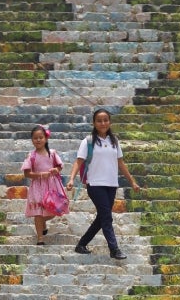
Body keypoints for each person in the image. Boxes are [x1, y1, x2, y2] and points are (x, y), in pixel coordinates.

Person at [66, 107, 140, 259]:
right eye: (99, 121)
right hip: (95, 184)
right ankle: (114, 249)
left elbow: (121, 163)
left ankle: (81, 244)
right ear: (94, 123)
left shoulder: (114, 141)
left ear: (110, 122)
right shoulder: (88, 141)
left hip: (111, 184)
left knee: (102, 217)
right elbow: (78, 161)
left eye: (105, 120)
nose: (103, 123)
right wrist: (72, 178)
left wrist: (132, 181)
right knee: (107, 217)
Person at [21, 124, 67, 245]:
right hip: (37, 187)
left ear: (46, 138)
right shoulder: (31, 156)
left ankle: (42, 222)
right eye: (35, 138)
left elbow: (59, 166)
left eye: (41, 137)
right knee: (38, 212)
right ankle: (40, 238)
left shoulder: (52, 153)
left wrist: (55, 170)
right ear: (32, 140)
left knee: (53, 210)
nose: (38, 140)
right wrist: (40, 175)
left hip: (52, 185)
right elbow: (27, 173)